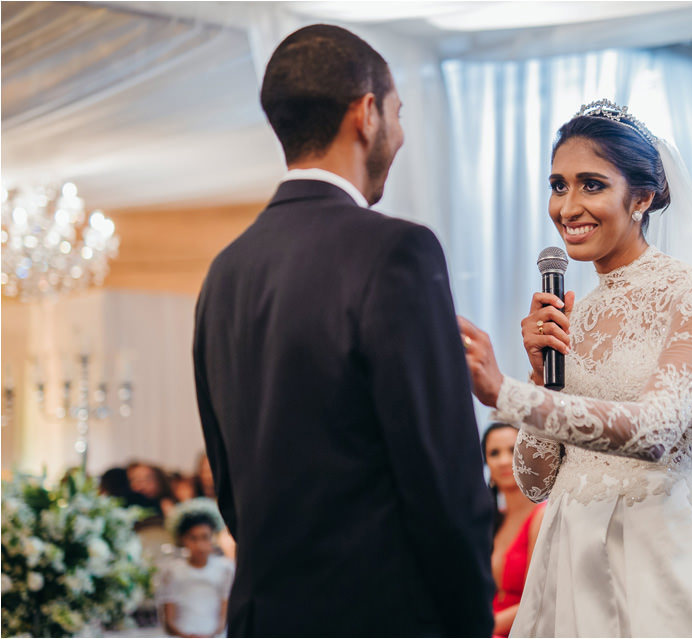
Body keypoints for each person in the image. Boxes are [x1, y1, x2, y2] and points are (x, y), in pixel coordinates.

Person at [192, 24, 494, 637]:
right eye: (398, 114)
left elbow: (230, 488)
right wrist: (470, 617)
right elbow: (442, 474)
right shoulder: (397, 251)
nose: (400, 134)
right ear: (366, 113)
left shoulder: (225, 271)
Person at [459, 100, 692, 636]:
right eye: (558, 186)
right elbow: (535, 481)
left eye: (591, 185)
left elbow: (656, 431)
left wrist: (504, 392)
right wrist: (540, 376)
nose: (568, 207)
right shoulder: (575, 315)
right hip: (568, 556)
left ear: (642, 198)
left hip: (654, 555)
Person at [483, 423, 546, 637]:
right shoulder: (491, 521)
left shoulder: (541, 517)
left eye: (512, 450)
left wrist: (481, 627)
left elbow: (538, 601)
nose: (503, 460)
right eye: (494, 453)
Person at [159, 498, 234, 637]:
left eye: (205, 537)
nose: (199, 545)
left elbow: (224, 614)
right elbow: (168, 619)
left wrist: (211, 635)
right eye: (193, 538)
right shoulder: (172, 571)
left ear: (212, 537)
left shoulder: (225, 568)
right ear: (183, 539)